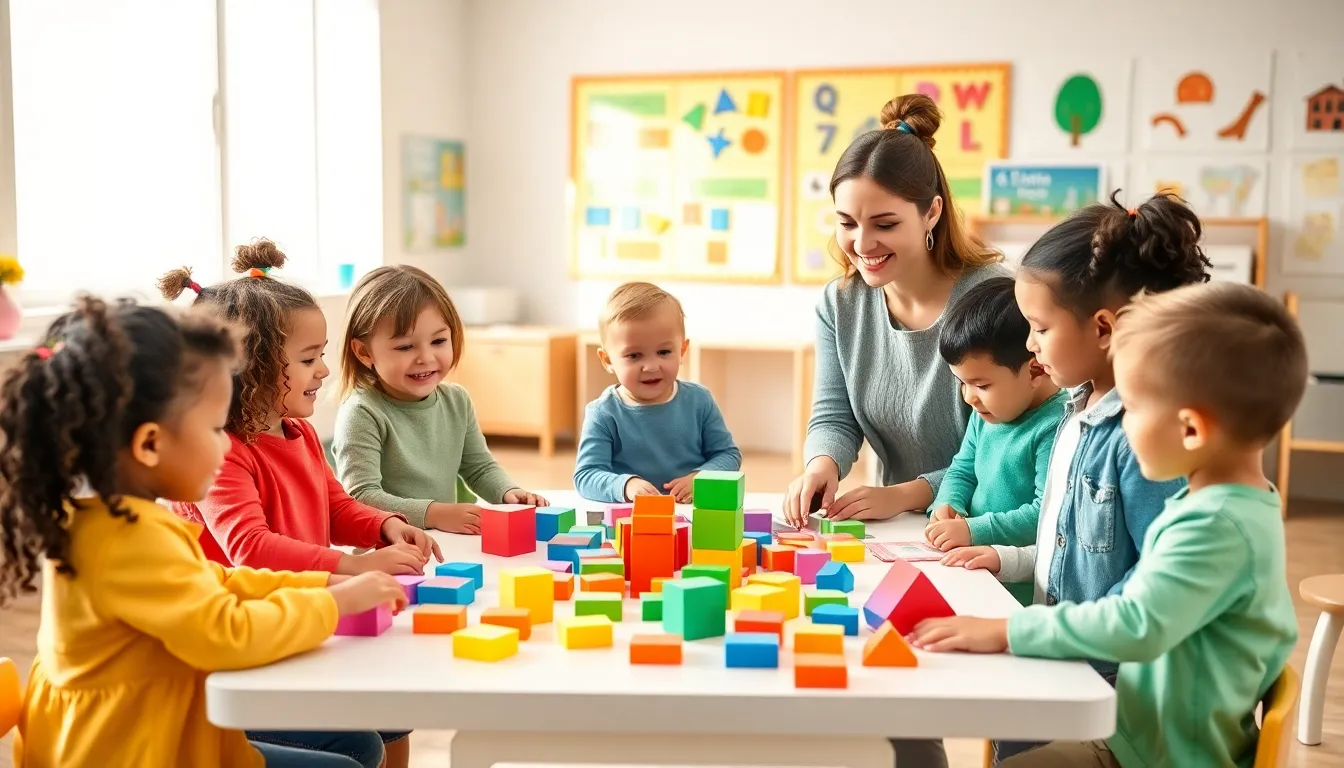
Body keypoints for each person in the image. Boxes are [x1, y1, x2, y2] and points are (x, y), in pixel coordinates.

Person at [910, 282, 1306, 768]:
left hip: (1164, 756)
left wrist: (1008, 630)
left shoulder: (1215, 527)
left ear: (1191, 429)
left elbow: (1135, 622)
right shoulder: (1218, 507)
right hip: (1144, 737)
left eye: (1131, 409)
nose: (1118, 426)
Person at [1, 296, 408, 768]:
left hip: (154, 729)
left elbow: (218, 581)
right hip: (131, 749)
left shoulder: (118, 521)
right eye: (215, 428)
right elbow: (223, 632)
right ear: (150, 444)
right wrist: (332, 603)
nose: (225, 443)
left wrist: (326, 581)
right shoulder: (128, 541)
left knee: (355, 749)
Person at [939, 191, 1207, 763]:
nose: (1030, 345)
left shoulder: (1144, 443)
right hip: (1063, 668)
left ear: (1105, 328)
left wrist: (1017, 635)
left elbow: (1148, 599)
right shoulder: (1075, 413)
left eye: (1038, 327)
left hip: (1115, 709)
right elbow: (1072, 547)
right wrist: (1007, 560)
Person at [160, 241, 437, 768]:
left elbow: (333, 506)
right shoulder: (221, 453)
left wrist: (384, 528)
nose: (325, 371)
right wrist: (354, 567)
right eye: (309, 360)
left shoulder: (300, 434)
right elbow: (251, 549)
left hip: (295, 619)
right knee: (357, 745)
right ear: (250, 368)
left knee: (393, 701)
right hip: (237, 649)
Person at [782, 92, 1006, 530]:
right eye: (846, 222)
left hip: (986, 527)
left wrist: (903, 495)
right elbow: (834, 415)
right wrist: (821, 466)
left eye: (885, 225)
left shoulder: (996, 297)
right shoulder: (839, 304)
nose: (862, 245)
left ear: (932, 213)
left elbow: (1007, 450)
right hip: (902, 526)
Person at [333, 265, 548, 534]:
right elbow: (361, 496)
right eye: (405, 346)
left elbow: (479, 467)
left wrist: (508, 492)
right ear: (364, 352)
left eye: (438, 341)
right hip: (388, 551)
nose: (426, 357)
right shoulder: (361, 412)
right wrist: (434, 514)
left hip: (446, 543)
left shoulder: (457, 400)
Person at [920, 276, 1067, 606]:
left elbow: (1043, 515)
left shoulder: (1055, 426)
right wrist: (948, 505)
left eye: (981, 385)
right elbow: (962, 471)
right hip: (970, 570)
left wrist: (974, 530)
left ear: (1035, 371)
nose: (969, 397)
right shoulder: (986, 412)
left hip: (1016, 592)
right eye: (962, 383)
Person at [573, 281, 741, 503]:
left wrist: (701, 478)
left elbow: (728, 456)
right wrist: (625, 486)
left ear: (682, 351)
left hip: (693, 514)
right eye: (634, 355)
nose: (651, 366)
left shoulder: (699, 400)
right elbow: (586, 475)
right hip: (633, 519)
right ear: (607, 360)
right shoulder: (603, 412)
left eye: (664, 351)